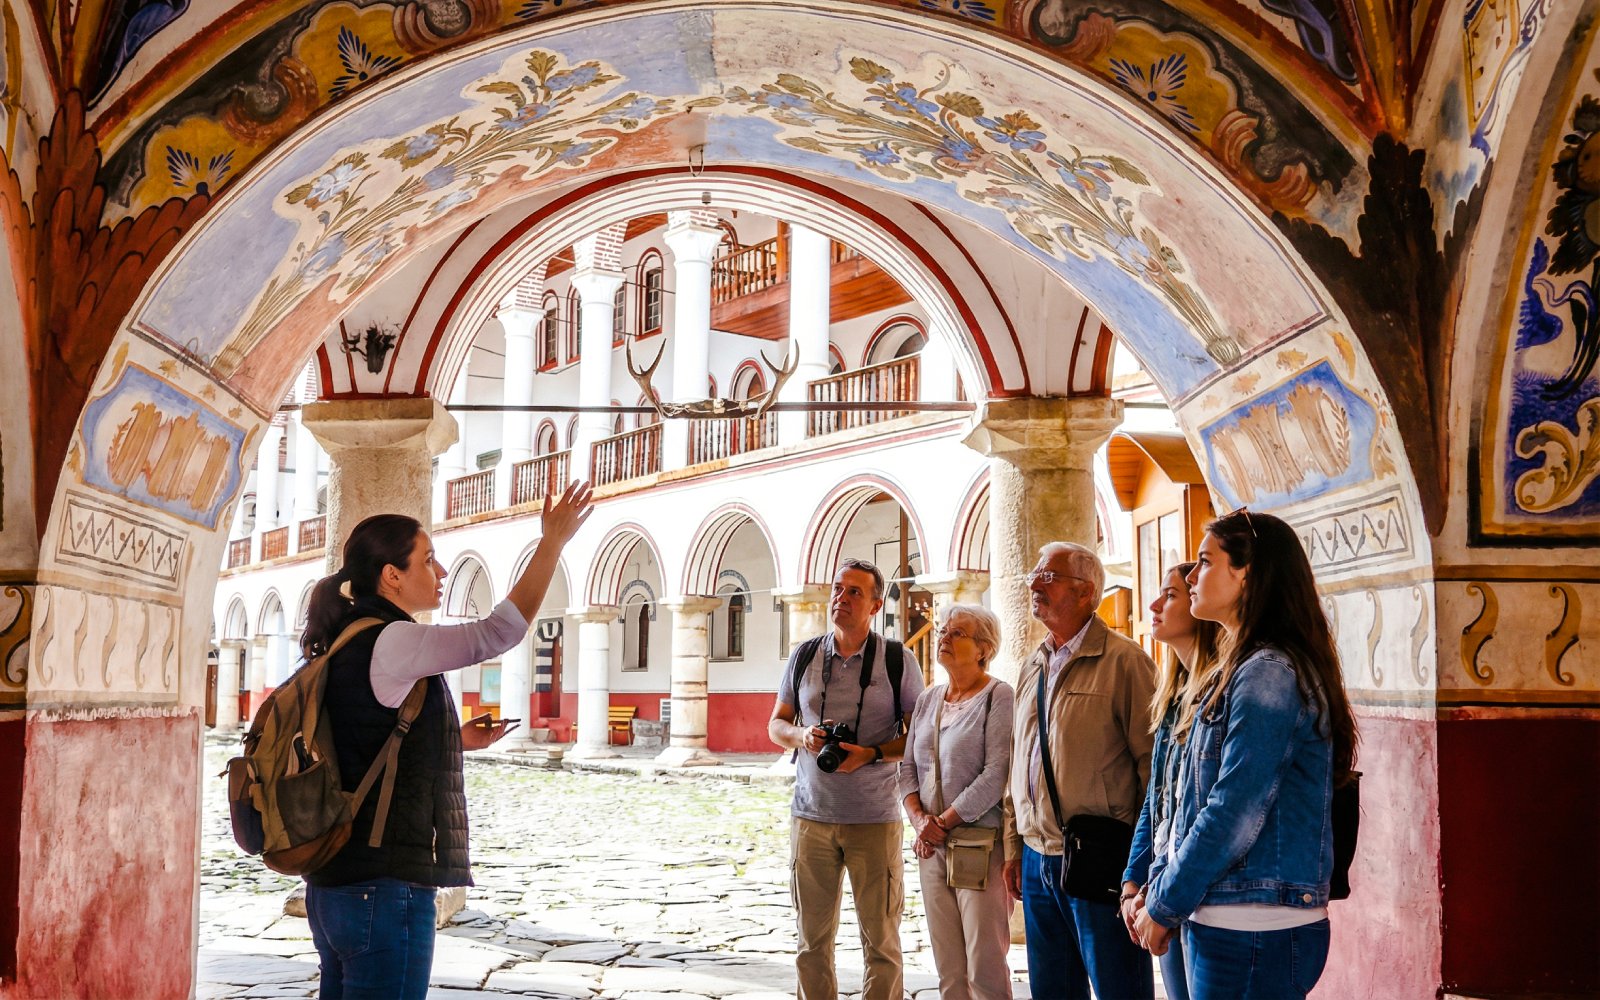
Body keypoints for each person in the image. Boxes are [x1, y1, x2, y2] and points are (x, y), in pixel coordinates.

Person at [297, 481, 593, 999]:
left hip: (335, 884)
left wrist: (451, 739)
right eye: (428, 560)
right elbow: (496, 633)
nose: (441, 572)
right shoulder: (391, 637)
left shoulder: (346, 639)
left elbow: (363, 737)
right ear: (392, 575)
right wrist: (551, 545)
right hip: (381, 885)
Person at [1134, 509, 1359, 1000]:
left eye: (1205, 562)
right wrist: (1157, 884)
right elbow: (1179, 802)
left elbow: (1234, 808)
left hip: (1256, 923)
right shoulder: (1236, 669)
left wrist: (1165, 903)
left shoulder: (1269, 672)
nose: (1192, 576)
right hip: (1229, 915)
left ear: (1247, 573)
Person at [1002, 541, 1157, 1000]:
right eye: (1035, 572)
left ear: (1086, 592)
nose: (1033, 583)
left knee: (1118, 986)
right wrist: (1014, 843)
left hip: (1102, 855)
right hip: (1036, 857)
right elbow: (1019, 758)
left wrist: (1143, 864)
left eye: (1048, 576)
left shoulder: (1125, 662)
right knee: (1052, 989)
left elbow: (1156, 771)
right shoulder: (1034, 663)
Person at [767, 558, 924, 1000]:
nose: (842, 598)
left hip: (874, 818)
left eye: (855, 591)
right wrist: (803, 736)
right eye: (838, 589)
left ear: (875, 604)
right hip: (811, 817)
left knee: (882, 944)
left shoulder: (898, 660)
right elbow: (776, 724)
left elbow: (919, 737)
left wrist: (871, 754)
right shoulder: (804, 655)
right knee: (811, 945)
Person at [899, 603, 1014, 1000]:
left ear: (983, 649)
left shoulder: (998, 695)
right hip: (930, 846)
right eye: (944, 630)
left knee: (984, 963)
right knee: (948, 966)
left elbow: (996, 773)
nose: (943, 637)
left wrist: (942, 821)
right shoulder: (929, 699)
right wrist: (919, 821)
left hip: (978, 845)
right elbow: (908, 767)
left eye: (957, 633)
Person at [1120, 562, 1221, 1000]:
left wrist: (1161, 897)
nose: (1154, 605)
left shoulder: (1223, 695)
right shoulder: (1175, 696)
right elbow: (1157, 801)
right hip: (1164, 885)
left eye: (1172, 595)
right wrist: (1132, 879)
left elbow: (1218, 812)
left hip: (1202, 895)